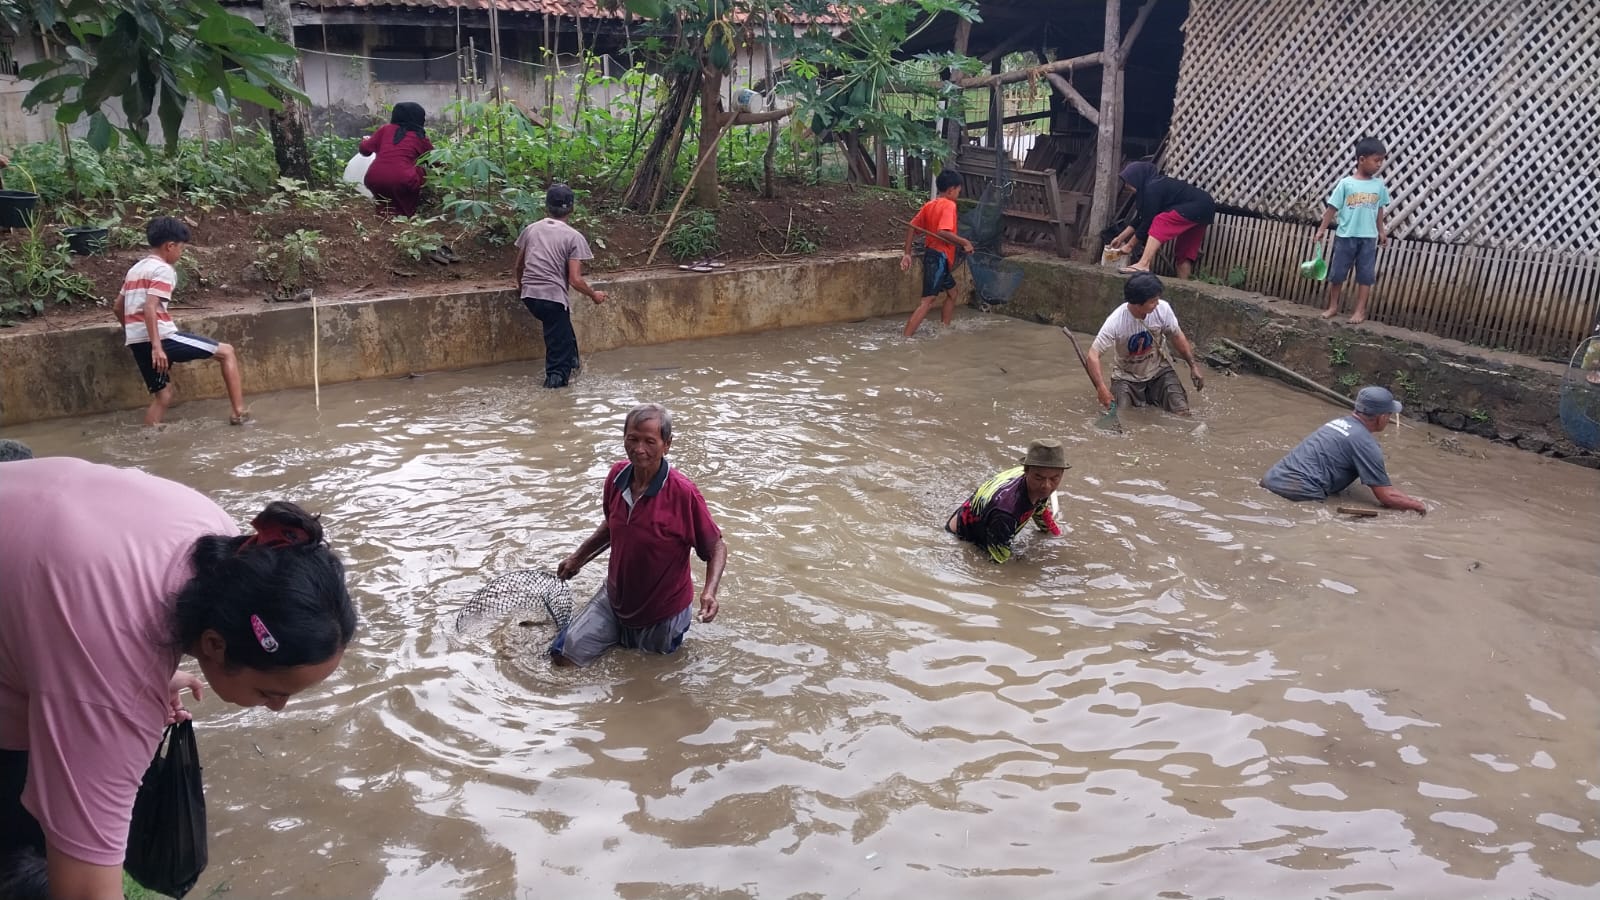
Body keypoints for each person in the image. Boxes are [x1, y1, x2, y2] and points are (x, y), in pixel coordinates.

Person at [0, 457, 357, 900]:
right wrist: (115, 682)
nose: (279, 708)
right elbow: (84, 890)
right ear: (213, 645)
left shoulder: (228, 547)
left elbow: (98, 597)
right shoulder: (115, 688)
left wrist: (145, 670)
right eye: (271, 692)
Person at [551, 404, 728, 667]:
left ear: (666, 445)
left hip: (662, 612)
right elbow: (612, 526)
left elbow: (716, 547)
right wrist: (578, 558)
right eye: (632, 439)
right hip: (614, 598)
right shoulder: (616, 477)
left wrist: (709, 592)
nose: (639, 449)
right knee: (563, 658)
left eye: (649, 441)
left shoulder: (682, 493)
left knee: (649, 678)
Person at [116, 217, 250, 427]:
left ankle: (149, 437)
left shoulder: (135, 270)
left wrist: (134, 333)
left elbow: (117, 306)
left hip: (137, 341)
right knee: (227, 352)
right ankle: (239, 413)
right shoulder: (163, 270)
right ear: (170, 246)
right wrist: (157, 347)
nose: (181, 253)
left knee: (164, 396)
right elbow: (149, 307)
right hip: (162, 338)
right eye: (181, 248)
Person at [1261, 386, 1427, 514]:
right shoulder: (1366, 444)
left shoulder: (1337, 423)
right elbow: (1387, 497)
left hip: (1271, 479)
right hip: (1300, 493)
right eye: (1389, 414)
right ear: (1382, 417)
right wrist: (1420, 506)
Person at [513, 184, 607, 389]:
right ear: (571, 209)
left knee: (563, 331)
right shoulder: (573, 236)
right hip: (552, 299)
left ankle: (574, 365)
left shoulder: (531, 229)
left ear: (546, 207)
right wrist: (594, 295)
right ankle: (555, 400)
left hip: (530, 297)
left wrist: (522, 288)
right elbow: (575, 280)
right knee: (558, 361)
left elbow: (519, 266)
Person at [1085, 272, 1206, 416]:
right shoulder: (1116, 321)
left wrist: (1193, 366)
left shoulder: (1163, 309)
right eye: (1152, 301)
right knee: (1122, 415)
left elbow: (1176, 335)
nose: (1157, 304)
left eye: (1157, 299)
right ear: (1137, 304)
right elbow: (1093, 355)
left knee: (1182, 412)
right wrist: (1101, 388)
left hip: (1159, 371)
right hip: (1126, 377)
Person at [945, 439, 1068, 564]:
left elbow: (1039, 507)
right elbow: (999, 562)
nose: (1046, 486)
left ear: (1062, 474)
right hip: (962, 537)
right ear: (1026, 470)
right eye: (1039, 477)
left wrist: (1055, 535)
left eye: (1054, 478)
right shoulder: (1005, 512)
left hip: (979, 517)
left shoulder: (1036, 484)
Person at [1317, 137, 1391, 324]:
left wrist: (1381, 231)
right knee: (1337, 273)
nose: (1379, 164)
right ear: (1361, 159)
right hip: (1345, 236)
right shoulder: (1346, 184)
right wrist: (1321, 230)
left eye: (1382, 160)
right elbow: (1331, 209)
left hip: (1368, 238)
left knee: (1365, 275)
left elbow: (1380, 209)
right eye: (1376, 160)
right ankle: (1333, 306)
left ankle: (1360, 311)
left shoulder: (1378, 185)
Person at [1108, 161, 1216, 279]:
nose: (1126, 186)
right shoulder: (1151, 187)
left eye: (1128, 182)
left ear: (1137, 177)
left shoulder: (1152, 187)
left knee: (1160, 221)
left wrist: (1130, 245)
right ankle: (1184, 287)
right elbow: (1139, 218)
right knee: (1183, 254)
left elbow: (1148, 221)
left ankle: (1143, 264)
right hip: (1205, 207)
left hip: (1197, 206)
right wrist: (1120, 238)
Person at [900, 170, 975, 337]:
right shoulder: (949, 205)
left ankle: (944, 328)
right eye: (958, 190)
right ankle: (905, 339)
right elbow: (942, 231)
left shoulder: (930, 205)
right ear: (950, 190)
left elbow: (912, 226)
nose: (958, 193)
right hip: (938, 258)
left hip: (936, 257)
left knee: (953, 293)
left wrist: (907, 253)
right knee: (927, 301)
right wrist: (965, 242)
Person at [359, 102, 434, 217]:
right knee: (419, 171)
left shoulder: (385, 130)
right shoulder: (421, 138)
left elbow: (364, 150)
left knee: (383, 208)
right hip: (403, 181)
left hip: (374, 177)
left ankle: (383, 220)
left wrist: (365, 140)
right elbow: (437, 161)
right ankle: (406, 218)